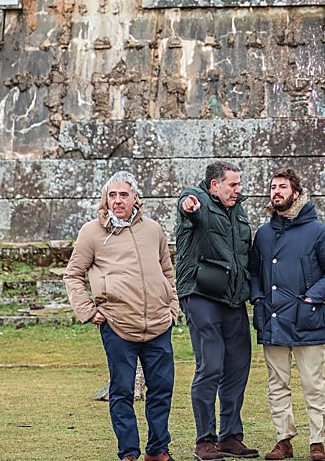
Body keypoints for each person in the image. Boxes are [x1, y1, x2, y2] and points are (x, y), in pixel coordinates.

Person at [64, 171, 182, 461]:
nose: (118, 200)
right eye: (112, 195)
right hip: (117, 325)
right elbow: (73, 275)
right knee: (122, 392)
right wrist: (88, 311)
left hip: (158, 323)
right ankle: (128, 452)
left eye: (124, 195)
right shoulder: (91, 233)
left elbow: (168, 271)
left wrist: (173, 306)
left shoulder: (153, 229)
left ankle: (158, 450)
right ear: (106, 199)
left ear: (135, 198)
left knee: (162, 390)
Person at [248, 168, 325, 461]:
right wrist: (257, 297)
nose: (275, 192)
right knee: (276, 384)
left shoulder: (319, 231)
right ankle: (284, 440)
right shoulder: (264, 233)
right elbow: (254, 271)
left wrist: (311, 298)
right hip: (273, 319)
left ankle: (317, 441)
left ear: (295, 192)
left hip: (307, 320)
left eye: (281, 187)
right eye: (272, 187)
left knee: (312, 385)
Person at [175, 160, 258, 460]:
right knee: (210, 366)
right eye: (232, 185)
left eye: (239, 184)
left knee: (237, 367)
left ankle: (231, 436)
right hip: (201, 295)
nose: (238, 190)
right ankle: (205, 440)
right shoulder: (199, 202)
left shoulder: (239, 210)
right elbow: (187, 208)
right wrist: (188, 206)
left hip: (233, 298)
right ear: (214, 186)